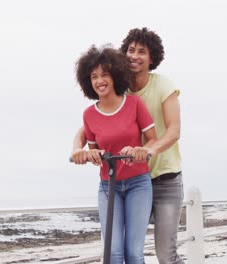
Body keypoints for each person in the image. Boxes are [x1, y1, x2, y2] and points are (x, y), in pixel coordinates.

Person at [72, 28, 184, 264]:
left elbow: (173, 131)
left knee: (164, 254)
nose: (134, 55)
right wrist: (78, 149)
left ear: (152, 57)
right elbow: (95, 124)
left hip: (162, 177)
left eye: (142, 51)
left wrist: (148, 150)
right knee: (113, 253)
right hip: (119, 177)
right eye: (131, 50)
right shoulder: (118, 91)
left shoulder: (162, 86)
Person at [73, 44, 157, 264]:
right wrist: (86, 155)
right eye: (94, 77)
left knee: (133, 253)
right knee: (113, 254)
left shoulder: (134, 104)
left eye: (105, 75)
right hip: (108, 186)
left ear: (115, 76)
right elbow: (94, 153)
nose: (99, 80)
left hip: (138, 184)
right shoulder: (89, 115)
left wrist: (140, 150)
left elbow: (153, 141)